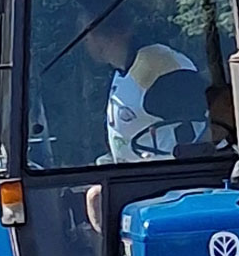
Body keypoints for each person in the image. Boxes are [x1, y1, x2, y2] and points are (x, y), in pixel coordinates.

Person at [79, 10, 205, 162]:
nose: (85, 42)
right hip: (139, 180)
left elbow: (210, 127)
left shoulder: (160, 68)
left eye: (86, 36)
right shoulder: (123, 72)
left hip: (175, 181)